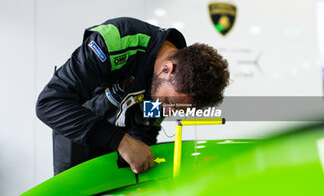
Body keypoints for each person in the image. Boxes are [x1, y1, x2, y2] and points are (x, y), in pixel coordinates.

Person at [36, 17, 230, 175]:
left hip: (123, 140)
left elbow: (145, 125)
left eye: (178, 110)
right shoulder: (117, 40)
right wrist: (120, 141)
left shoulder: (173, 82)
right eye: (170, 103)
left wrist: (139, 160)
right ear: (167, 69)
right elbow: (50, 103)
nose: (168, 112)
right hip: (79, 131)